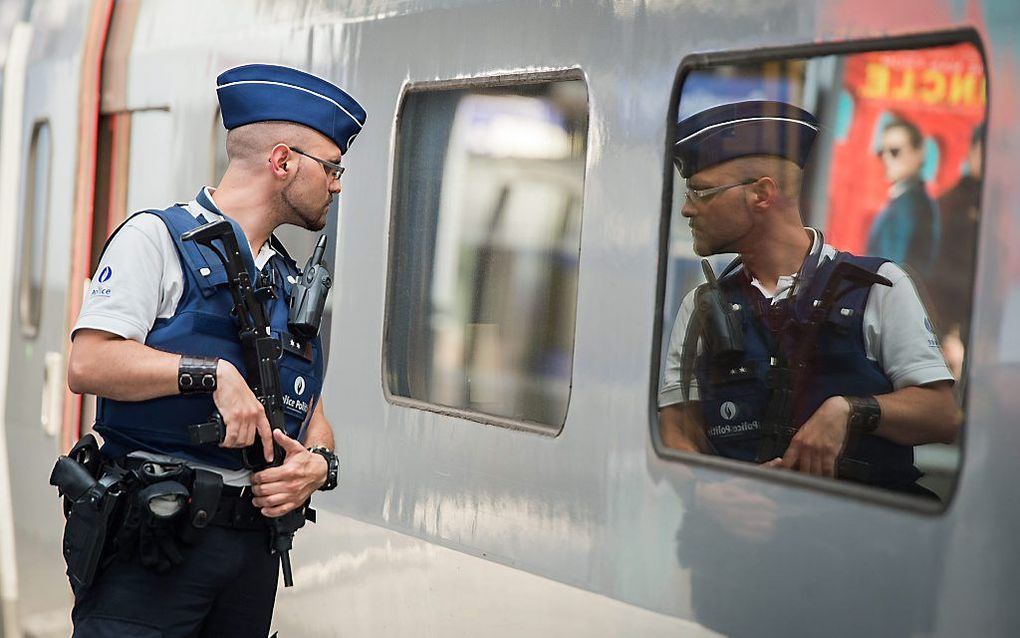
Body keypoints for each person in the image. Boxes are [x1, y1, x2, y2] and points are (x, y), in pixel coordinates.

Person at [63, 63, 365, 637]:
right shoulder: (156, 241)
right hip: (154, 546)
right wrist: (211, 374)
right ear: (283, 162)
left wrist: (317, 467)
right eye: (330, 167)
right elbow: (89, 362)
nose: (337, 183)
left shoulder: (289, 283)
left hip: (250, 557)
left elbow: (313, 417)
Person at [658, 100, 959, 496]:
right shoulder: (700, 307)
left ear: (761, 194)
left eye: (701, 192)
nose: (686, 209)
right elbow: (677, 430)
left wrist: (852, 410)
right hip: (738, 543)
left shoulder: (878, 286)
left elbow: (943, 416)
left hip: (864, 542)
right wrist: (708, 493)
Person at [931, 123, 984, 379]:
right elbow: (940, 269)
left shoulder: (995, 202)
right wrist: (949, 330)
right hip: (954, 322)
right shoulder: (951, 205)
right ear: (973, 151)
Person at [866, 116, 940, 282]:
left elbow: (891, 272)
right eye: (881, 152)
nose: (885, 158)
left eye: (894, 151)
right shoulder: (909, 201)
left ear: (918, 153)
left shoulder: (910, 206)